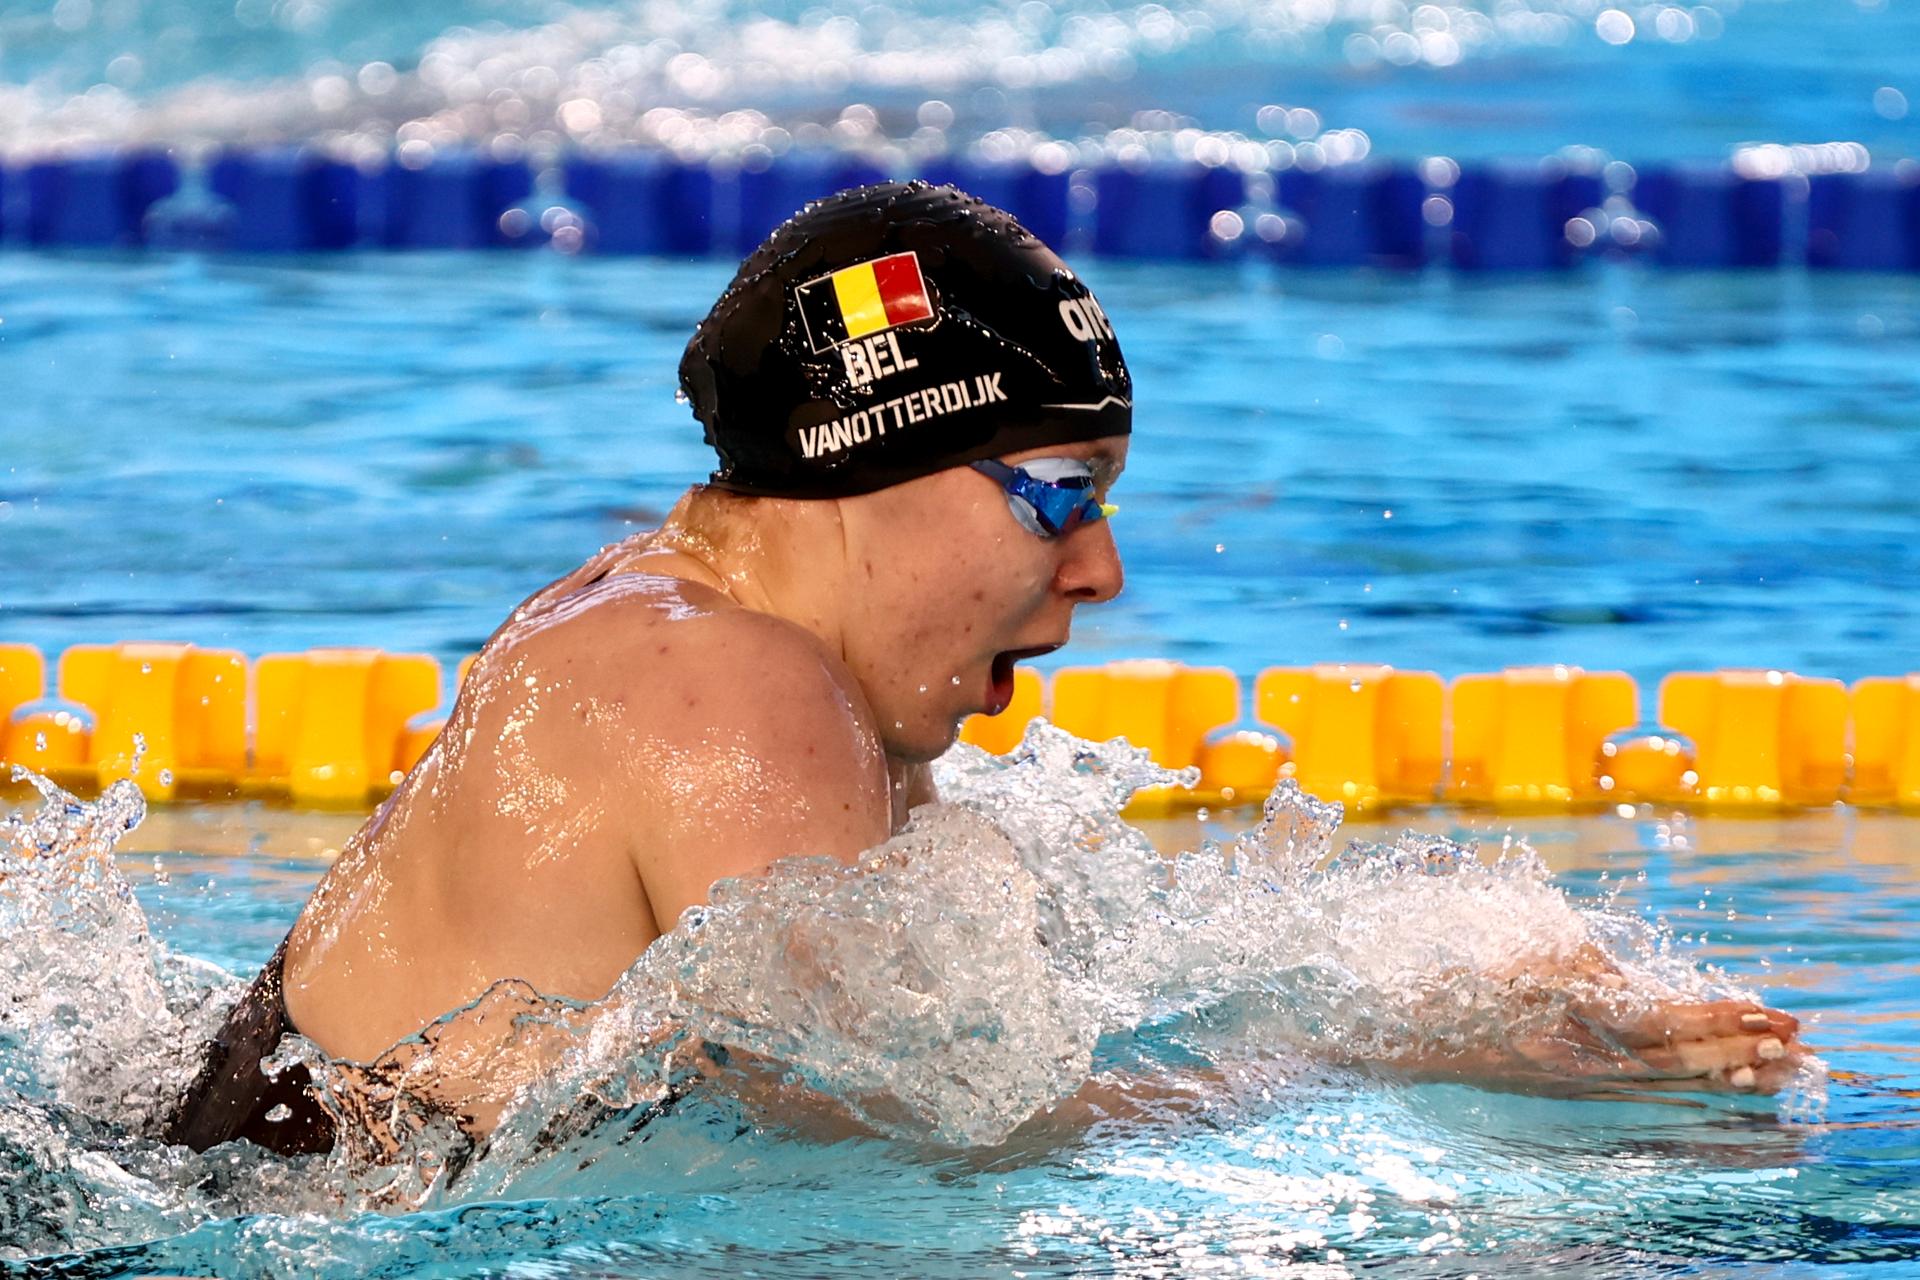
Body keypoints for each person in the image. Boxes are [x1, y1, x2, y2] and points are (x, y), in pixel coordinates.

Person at [165, 181, 1805, 1157]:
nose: (1098, 572)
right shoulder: (729, 689)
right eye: (1060, 500)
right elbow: (908, 1148)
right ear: (873, 469)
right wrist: (1423, 1065)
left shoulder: (684, 616)